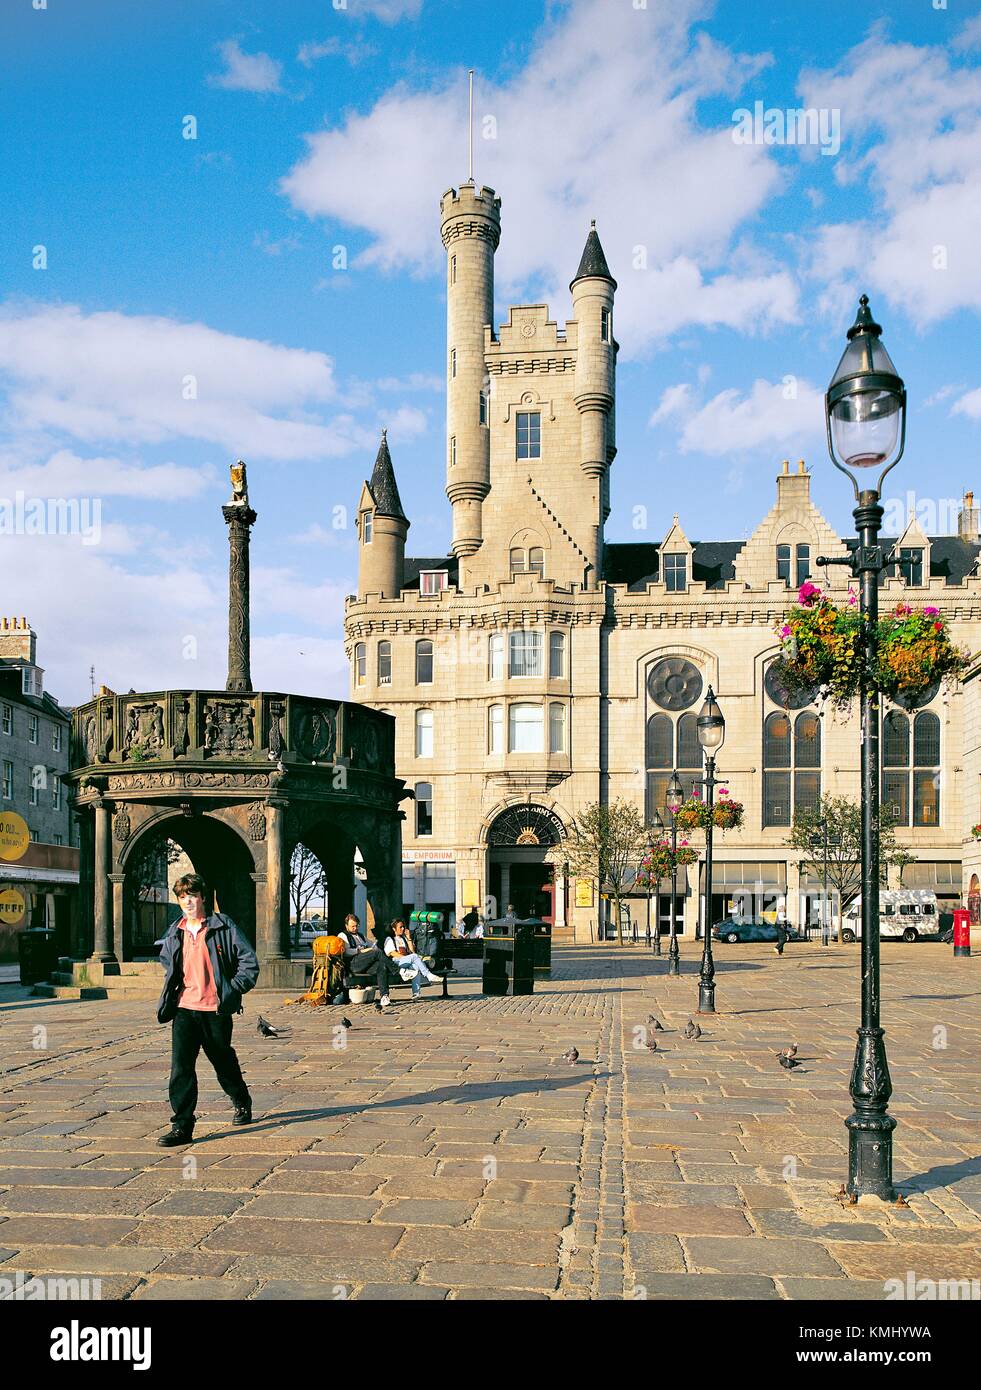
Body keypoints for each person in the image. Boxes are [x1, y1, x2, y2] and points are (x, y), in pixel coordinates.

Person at [155, 873, 258, 1147]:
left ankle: (240, 1099)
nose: (187, 901)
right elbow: (168, 961)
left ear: (202, 897)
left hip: (215, 1010)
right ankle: (182, 1126)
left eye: (192, 896)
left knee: (222, 1061)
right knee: (181, 1068)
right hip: (184, 1010)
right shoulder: (174, 931)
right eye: (182, 897)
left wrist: (232, 989)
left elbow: (249, 961)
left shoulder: (223, 926)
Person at [337, 913, 402, 1008]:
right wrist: (360, 950)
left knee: (381, 966)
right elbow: (346, 952)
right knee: (376, 952)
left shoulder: (361, 935)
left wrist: (373, 947)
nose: (355, 928)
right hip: (353, 963)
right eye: (352, 926)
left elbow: (373, 945)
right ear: (346, 926)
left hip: (365, 963)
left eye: (356, 926)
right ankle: (397, 970)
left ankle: (384, 996)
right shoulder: (343, 935)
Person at [380, 919, 443, 999]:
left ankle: (416, 993)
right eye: (400, 927)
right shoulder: (390, 939)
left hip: (406, 961)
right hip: (395, 962)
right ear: (394, 929)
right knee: (414, 956)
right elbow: (391, 953)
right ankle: (428, 975)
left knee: (415, 967)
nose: (403, 929)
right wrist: (405, 958)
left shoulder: (404, 939)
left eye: (403, 927)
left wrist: (409, 938)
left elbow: (412, 951)